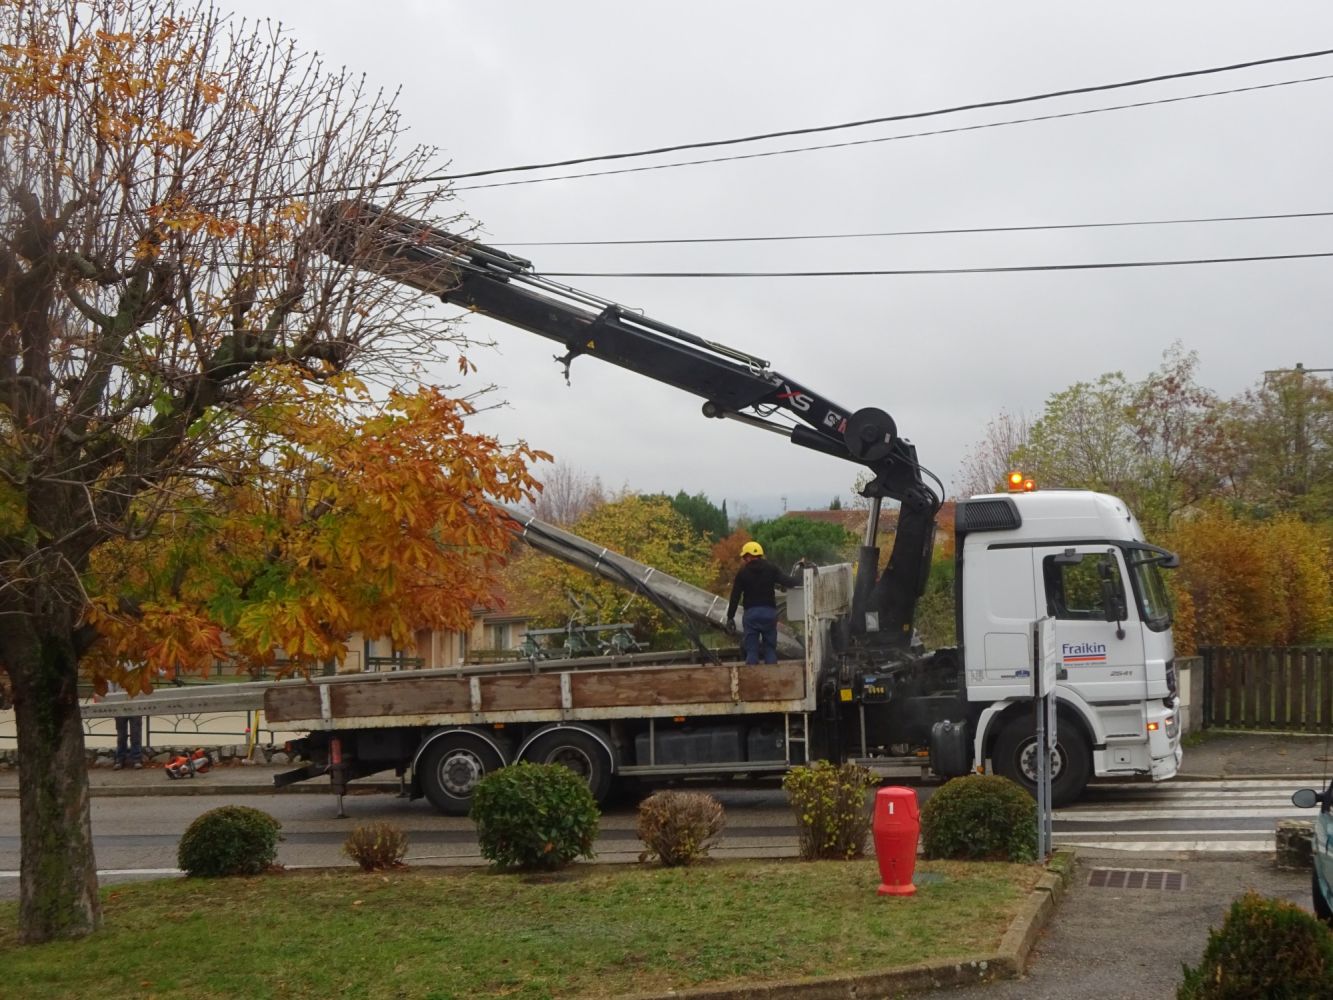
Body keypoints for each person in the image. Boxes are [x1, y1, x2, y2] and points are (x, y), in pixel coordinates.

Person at [726, 541, 801, 665]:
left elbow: (735, 596)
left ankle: (753, 676)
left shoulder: (742, 573)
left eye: (745, 557)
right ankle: (771, 675)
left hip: (751, 615)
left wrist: (730, 617)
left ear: (749, 556)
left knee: (751, 651)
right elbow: (789, 582)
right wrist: (801, 575)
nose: (744, 560)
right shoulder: (771, 569)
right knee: (770, 650)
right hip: (769, 613)